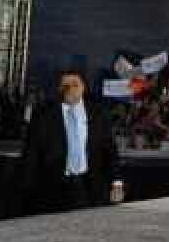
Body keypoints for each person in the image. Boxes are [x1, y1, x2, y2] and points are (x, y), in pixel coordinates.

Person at [21, 71, 123, 214]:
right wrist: (28, 189)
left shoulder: (98, 114)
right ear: (59, 88)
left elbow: (110, 151)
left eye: (75, 84)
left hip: (90, 187)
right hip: (53, 188)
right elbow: (31, 153)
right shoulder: (43, 115)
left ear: (83, 87)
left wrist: (117, 183)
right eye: (65, 85)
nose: (70, 88)